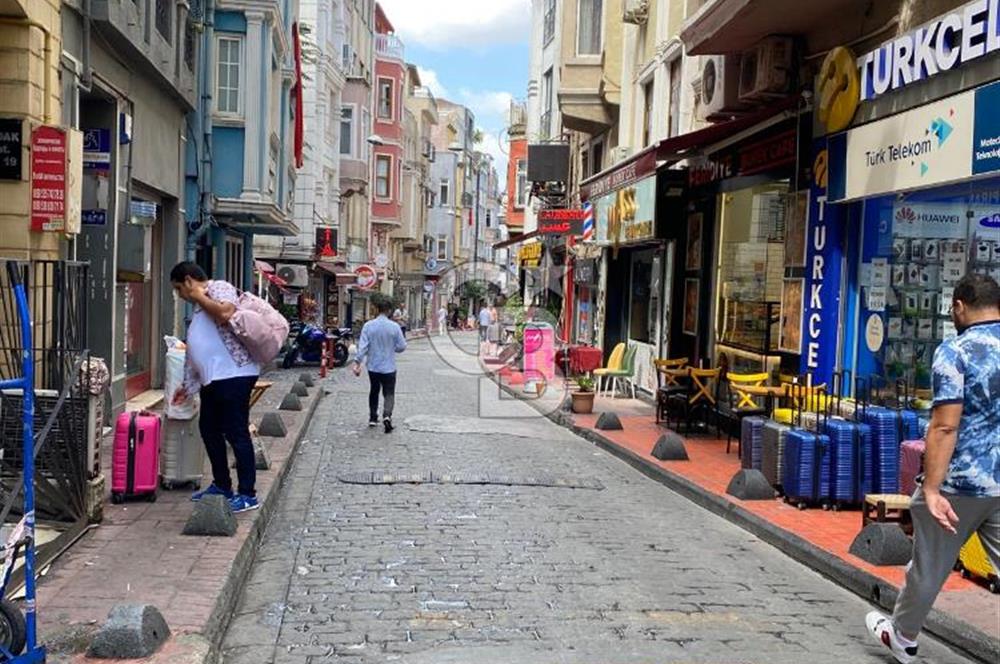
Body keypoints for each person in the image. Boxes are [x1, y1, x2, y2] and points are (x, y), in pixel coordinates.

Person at [866, 273, 1000, 664]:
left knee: (928, 567)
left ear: (959, 306)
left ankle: (903, 637)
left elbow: (945, 424)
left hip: (959, 485)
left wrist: (931, 489)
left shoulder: (956, 351)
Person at [169, 262, 260, 513]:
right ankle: (222, 484)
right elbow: (197, 350)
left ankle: (247, 493)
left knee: (236, 431)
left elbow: (225, 313)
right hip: (214, 379)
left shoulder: (219, 287)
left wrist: (199, 294)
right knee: (208, 429)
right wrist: (186, 387)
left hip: (234, 374)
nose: (180, 295)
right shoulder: (199, 309)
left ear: (189, 281)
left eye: (179, 288)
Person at [353, 297, 407, 433]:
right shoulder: (395, 327)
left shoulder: (368, 326)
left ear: (377, 310)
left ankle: (372, 417)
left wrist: (357, 362)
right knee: (389, 393)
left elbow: (363, 347)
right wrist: (391, 348)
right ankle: (387, 416)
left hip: (373, 366)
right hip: (389, 367)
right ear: (389, 311)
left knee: (374, 390)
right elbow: (402, 346)